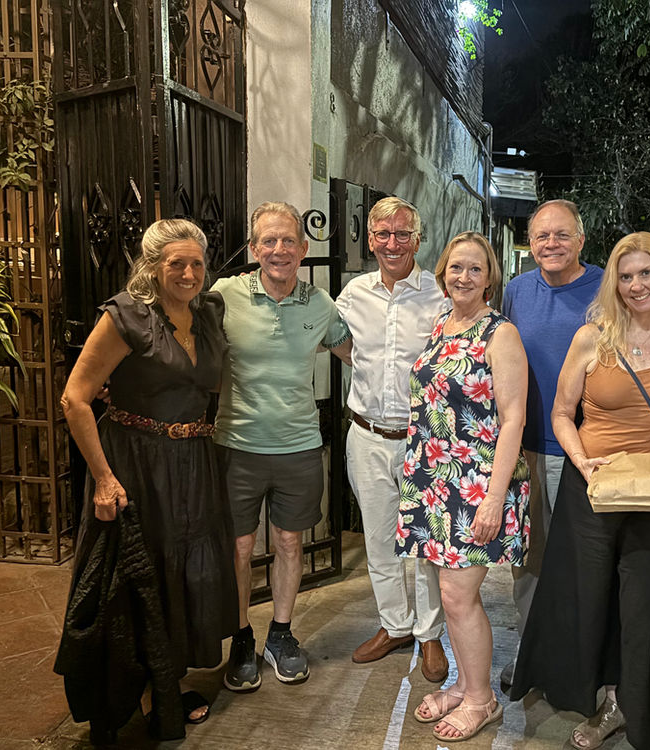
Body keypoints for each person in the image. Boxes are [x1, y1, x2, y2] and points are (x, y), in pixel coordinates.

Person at [510, 232, 650, 750]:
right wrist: (582, 462)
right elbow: (561, 412)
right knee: (586, 600)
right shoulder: (592, 338)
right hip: (592, 489)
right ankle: (592, 697)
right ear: (613, 283)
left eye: (646, 273)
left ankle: (632, 711)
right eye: (625, 276)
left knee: (643, 610)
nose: (636, 285)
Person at [58, 219, 238, 737]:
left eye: (197, 263)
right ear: (153, 266)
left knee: (180, 573)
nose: (188, 273)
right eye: (176, 263)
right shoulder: (127, 317)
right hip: (136, 464)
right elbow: (75, 399)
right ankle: (136, 687)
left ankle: (167, 681)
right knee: (139, 575)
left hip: (193, 461)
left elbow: (212, 382)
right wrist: (104, 478)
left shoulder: (208, 313)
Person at [215, 201, 352, 692]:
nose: (279, 250)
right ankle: (241, 639)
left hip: (298, 446)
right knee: (239, 546)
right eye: (268, 241)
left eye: (288, 240)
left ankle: (280, 633)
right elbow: (182, 345)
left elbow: (359, 354)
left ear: (303, 248)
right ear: (254, 249)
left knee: (290, 542)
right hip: (236, 445)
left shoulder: (321, 305)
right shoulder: (223, 295)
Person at [399, 231, 531, 742]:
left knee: (459, 596)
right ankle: (464, 683)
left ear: (490, 277)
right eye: (456, 267)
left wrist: (494, 500)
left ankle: (481, 700)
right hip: (435, 480)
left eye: (476, 269)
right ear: (443, 273)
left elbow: (513, 419)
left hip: (476, 484)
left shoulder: (500, 334)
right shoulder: (443, 324)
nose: (464, 277)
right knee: (450, 595)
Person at [336, 196, 450, 683]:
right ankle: (395, 625)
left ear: (418, 240)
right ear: (370, 239)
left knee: (425, 543)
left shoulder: (439, 295)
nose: (392, 243)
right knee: (379, 540)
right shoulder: (352, 294)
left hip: (423, 439)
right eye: (383, 234)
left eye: (403, 234)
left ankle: (430, 634)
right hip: (366, 435)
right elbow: (341, 344)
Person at [498, 199, 603, 690]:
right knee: (529, 559)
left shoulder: (606, 289)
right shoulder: (516, 291)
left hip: (589, 450)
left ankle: (582, 663)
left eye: (562, 235)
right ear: (530, 242)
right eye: (542, 236)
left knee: (585, 562)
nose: (551, 244)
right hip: (527, 449)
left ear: (581, 239)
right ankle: (531, 653)